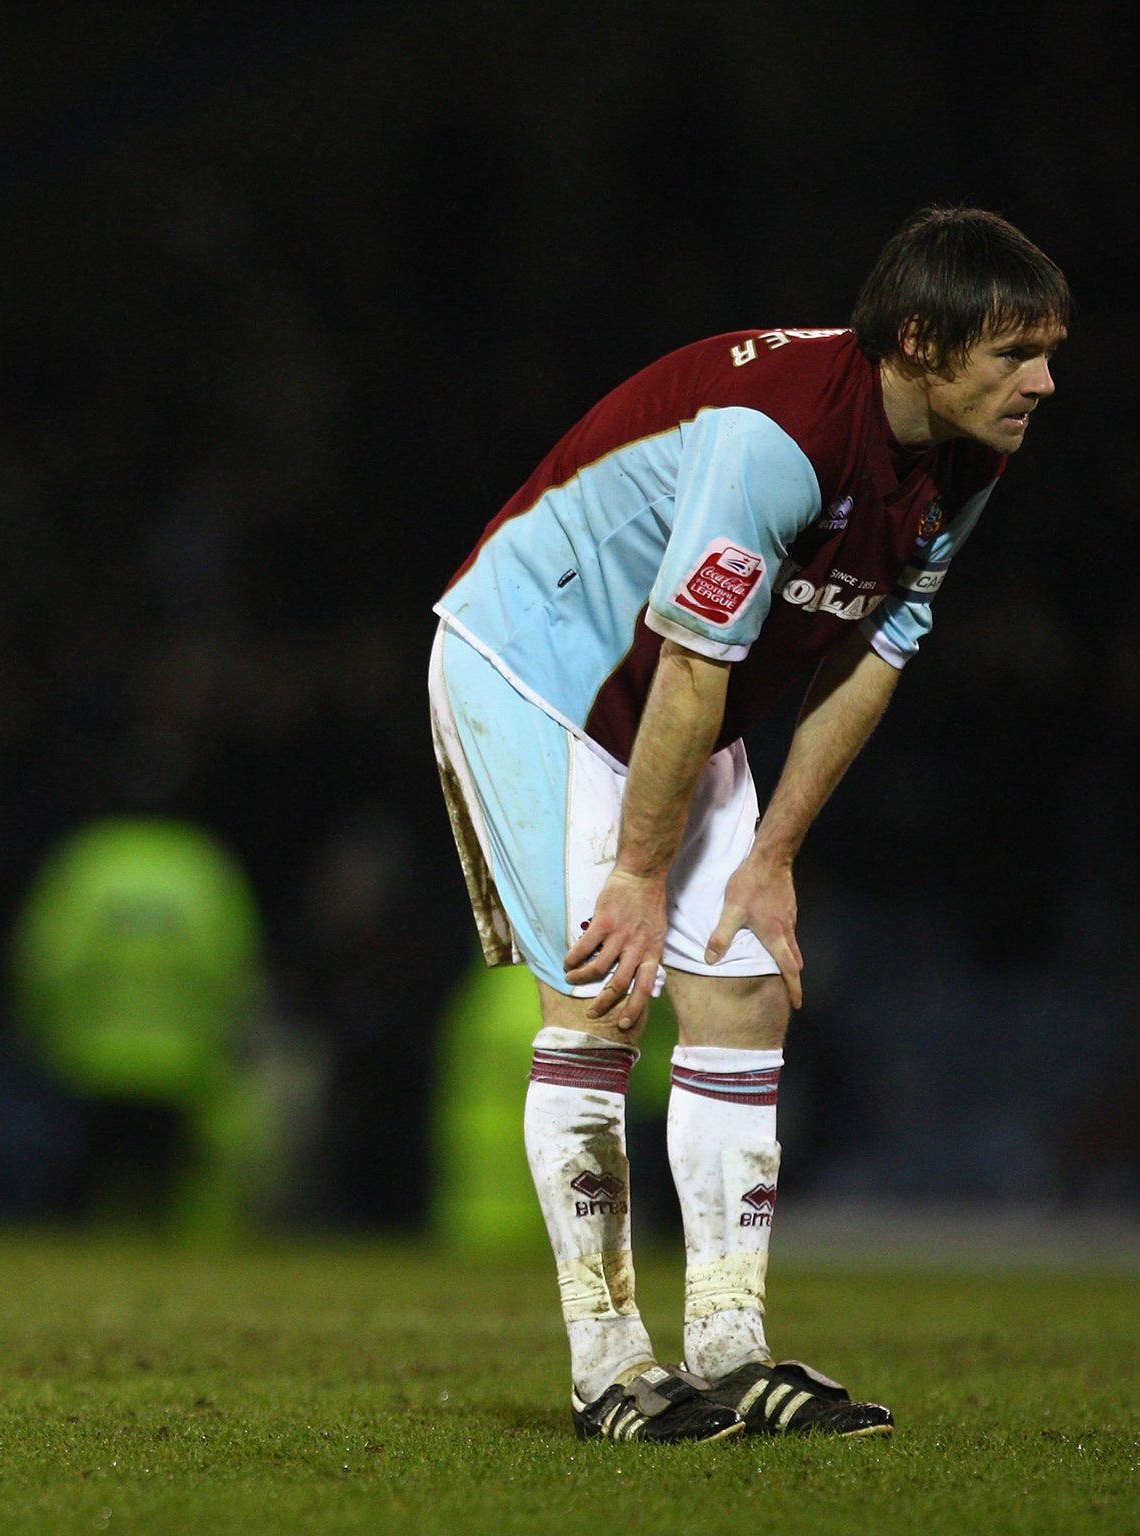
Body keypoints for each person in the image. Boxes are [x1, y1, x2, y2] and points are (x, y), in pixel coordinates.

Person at [429, 207, 1069, 1441]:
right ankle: (608, 1367)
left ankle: (728, 1348)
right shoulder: (772, 436)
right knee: (602, 987)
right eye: (1013, 354)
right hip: (535, 666)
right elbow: (685, 664)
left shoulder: (967, 456)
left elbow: (880, 644)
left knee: (740, 990)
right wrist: (635, 873)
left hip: (676, 699)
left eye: (1047, 350)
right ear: (921, 343)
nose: (1043, 381)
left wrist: (771, 854)